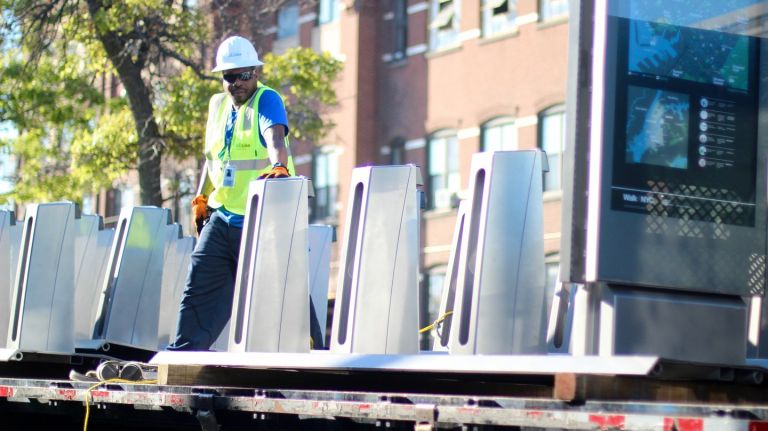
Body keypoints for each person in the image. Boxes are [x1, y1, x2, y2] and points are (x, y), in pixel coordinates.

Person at [167, 35, 322, 351]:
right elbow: (213, 158)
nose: (236, 82)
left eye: (243, 75)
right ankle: (184, 356)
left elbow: (274, 137)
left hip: (260, 221)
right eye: (229, 76)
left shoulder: (267, 100)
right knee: (199, 288)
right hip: (222, 217)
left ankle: (313, 353)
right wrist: (201, 198)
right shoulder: (217, 105)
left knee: (282, 292)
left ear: (256, 72)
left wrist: (279, 165)